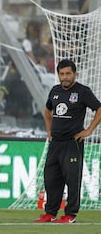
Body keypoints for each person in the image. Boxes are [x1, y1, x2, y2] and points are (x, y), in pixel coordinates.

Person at [35, 59, 101, 223]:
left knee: (72, 179)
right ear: (58, 74)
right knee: (51, 178)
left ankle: (70, 215)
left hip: (72, 143)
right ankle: (50, 213)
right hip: (55, 143)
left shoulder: (82, 91)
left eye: (68, 74)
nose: (65, 77)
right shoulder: (55, 90)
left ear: (75, 74)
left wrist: (89, 130)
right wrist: (49, 130)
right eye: (62, 74)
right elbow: (48, 110)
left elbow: (99, 109)